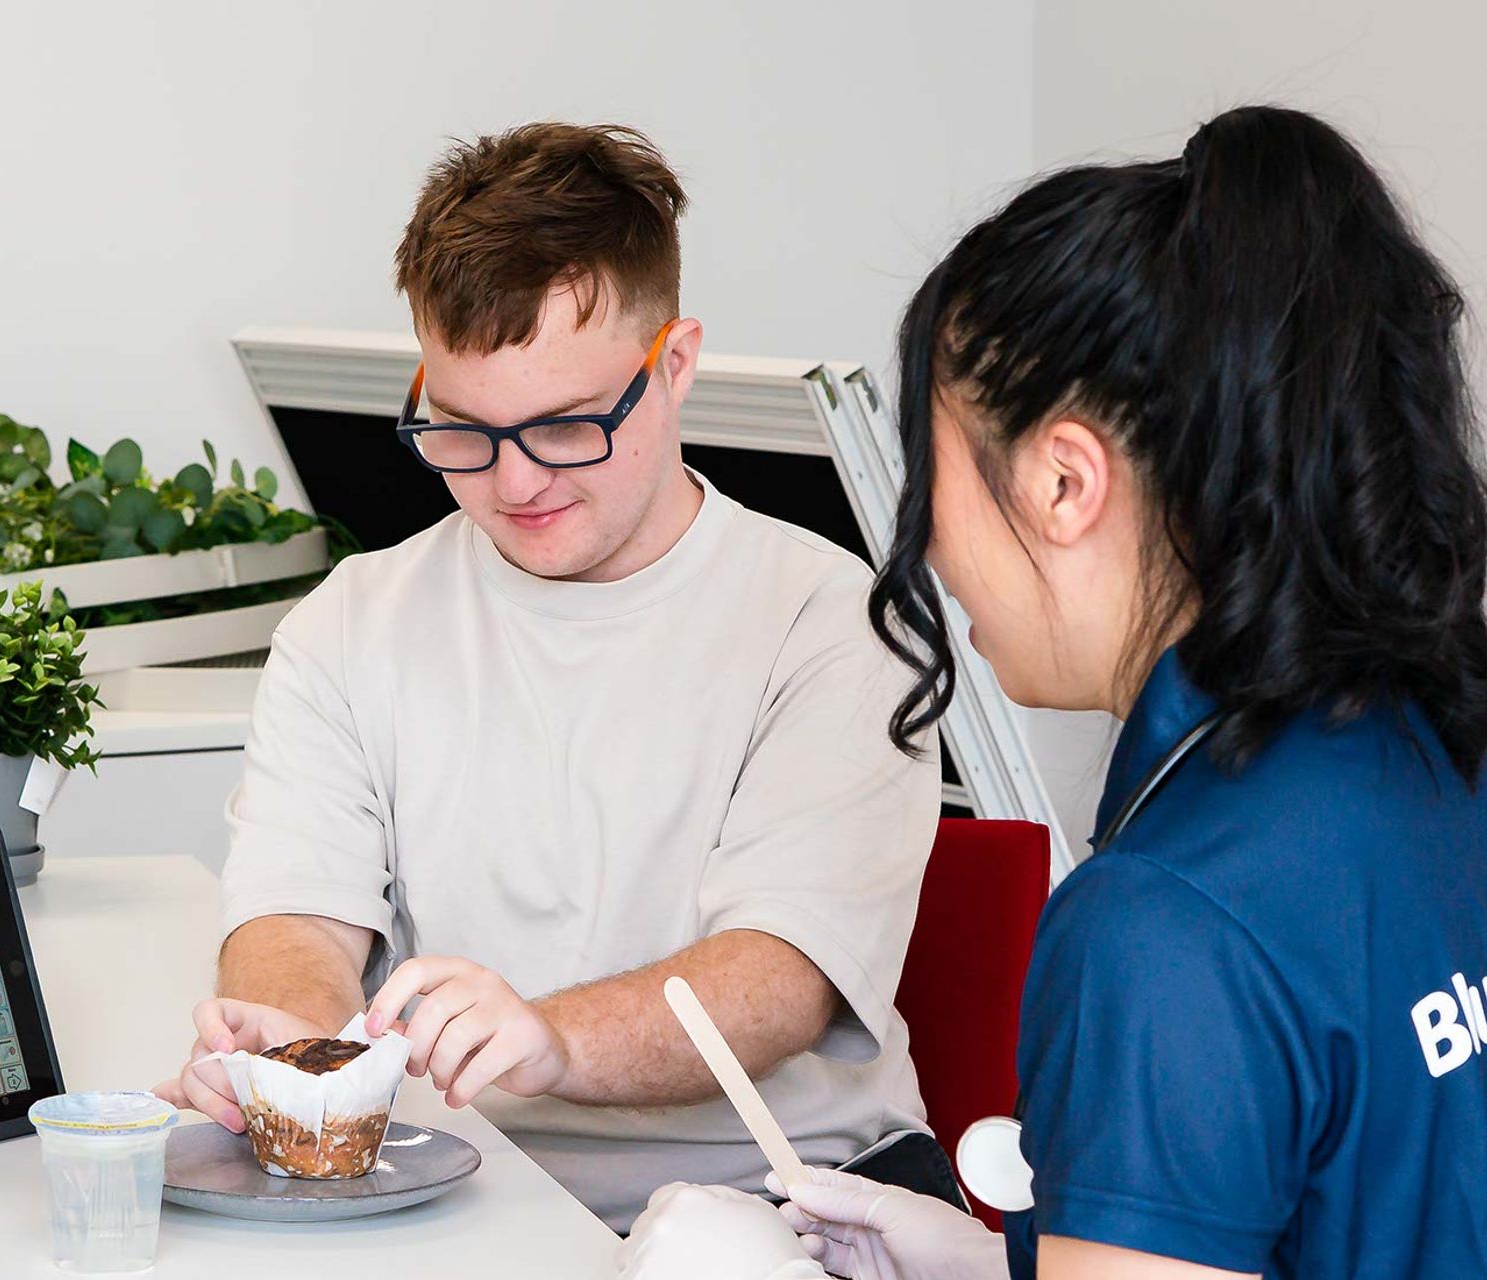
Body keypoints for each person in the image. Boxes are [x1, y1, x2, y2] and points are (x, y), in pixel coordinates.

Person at [622, 104, 1487, 1277]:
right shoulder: (1434, 744)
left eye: (934, 481)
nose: (922, 548)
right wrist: (999, 1259)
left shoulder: (1166, 923)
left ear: (1064, 480)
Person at [151, 122, 947, 1230]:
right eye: (463, 428)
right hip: (461, 1197)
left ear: (673, 365)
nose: (515, 479)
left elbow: (778, 979)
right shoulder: (350, 624)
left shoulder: (834, 623)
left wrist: (552, 1036)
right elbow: (299, 917)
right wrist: (290, 1053)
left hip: (790, 1194)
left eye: (567, 425)